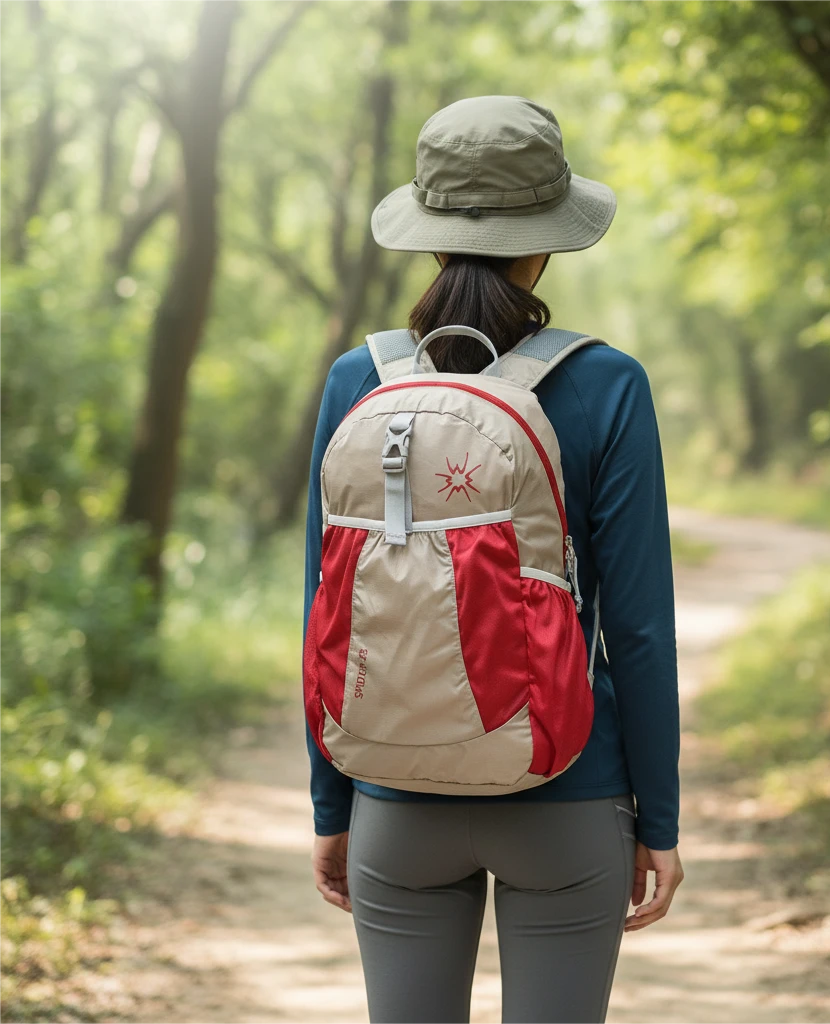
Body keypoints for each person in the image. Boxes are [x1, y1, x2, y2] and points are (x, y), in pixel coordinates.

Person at [303, 94, 683, 1024]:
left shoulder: (361, 382)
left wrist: (333, 804)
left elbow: (324, 606)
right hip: (569, 788)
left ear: (428, 237)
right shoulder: (607, 383)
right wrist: (658, 820)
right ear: (546, 241)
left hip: (395, 790)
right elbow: (636, 624)